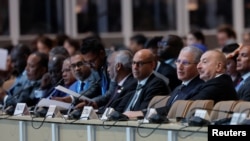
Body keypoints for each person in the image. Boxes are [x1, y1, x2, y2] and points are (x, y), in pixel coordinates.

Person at [123, 46, 204, 118]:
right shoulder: (179, 88)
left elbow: (172, 109)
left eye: (185, 63)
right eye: (178, 61)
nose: (179, 67)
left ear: (198, 65)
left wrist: (142, 113)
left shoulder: (200, 88)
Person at [74, 50, 137, 114]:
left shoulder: (131, 85)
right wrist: (93, 106)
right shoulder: (120, 85)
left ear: (118, 66)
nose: (107, 69)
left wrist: (94, 111)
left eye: (109, 64)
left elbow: (117, 111)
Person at [120, 49, 169, 116]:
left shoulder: (156, 85)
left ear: (152, 65)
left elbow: (142, 112)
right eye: (133, 63)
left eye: (140, 63)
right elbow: (121, 107)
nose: (135, 67)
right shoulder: (133, 84)